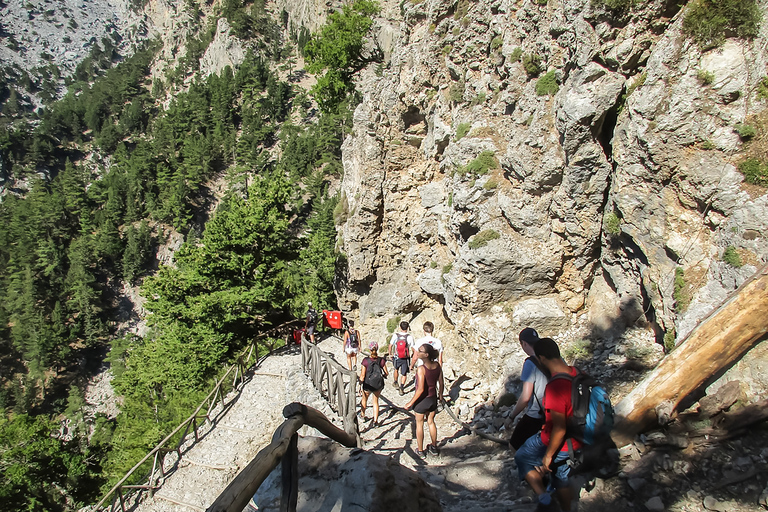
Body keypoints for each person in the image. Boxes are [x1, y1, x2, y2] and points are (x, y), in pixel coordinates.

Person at [514, 337, 580, 512]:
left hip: (556, 440)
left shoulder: (555, 387)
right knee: (561, 476)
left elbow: (559, 428)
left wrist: (548, 456)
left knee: (522, 457)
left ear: (542, 358)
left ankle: (544, 498)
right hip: (578, 438)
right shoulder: (577, 373)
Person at [508, 327, 549, 450]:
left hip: (537, 413)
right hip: (557, 409)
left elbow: (525, 397)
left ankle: (530, 468)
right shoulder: (552, 358)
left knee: (514, 446)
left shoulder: (530, 363)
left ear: (524, 343)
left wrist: (511, 416)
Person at [404, 344, 444, 458]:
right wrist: (440, 396)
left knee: (419, 425)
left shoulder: (421, 369)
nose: (418, 352)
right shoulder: (437, 365)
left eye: (420, 351)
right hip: (432, 399)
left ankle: (420, 450)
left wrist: (410, 403)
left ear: (426, 355)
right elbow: (441, 383)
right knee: (431, 422)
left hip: (422, 400)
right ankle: (434, 446)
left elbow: (420, 389)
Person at [359, 342, 388, 427]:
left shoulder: (365, 361)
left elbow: (362, 375)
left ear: (369, 349)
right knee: (375, 401)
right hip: (378, 384)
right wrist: (383, 376)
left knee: (364, 399)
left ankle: (362, 415)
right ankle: (375, 421)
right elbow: (386, 373)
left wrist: (360, 384)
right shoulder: (381, 360)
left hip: (368, 384)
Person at [388, 321, 414, 396]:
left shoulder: (396, 336)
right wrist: (412, 355)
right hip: (405, 358)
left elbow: (390, 346)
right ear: (408, 328)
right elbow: (412, 348)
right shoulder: (409, 337)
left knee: (396, 369)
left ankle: (395, 382)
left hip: (397, 356)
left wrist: (390, 354)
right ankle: (402, 387)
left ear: (400, 327)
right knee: (404, 373)